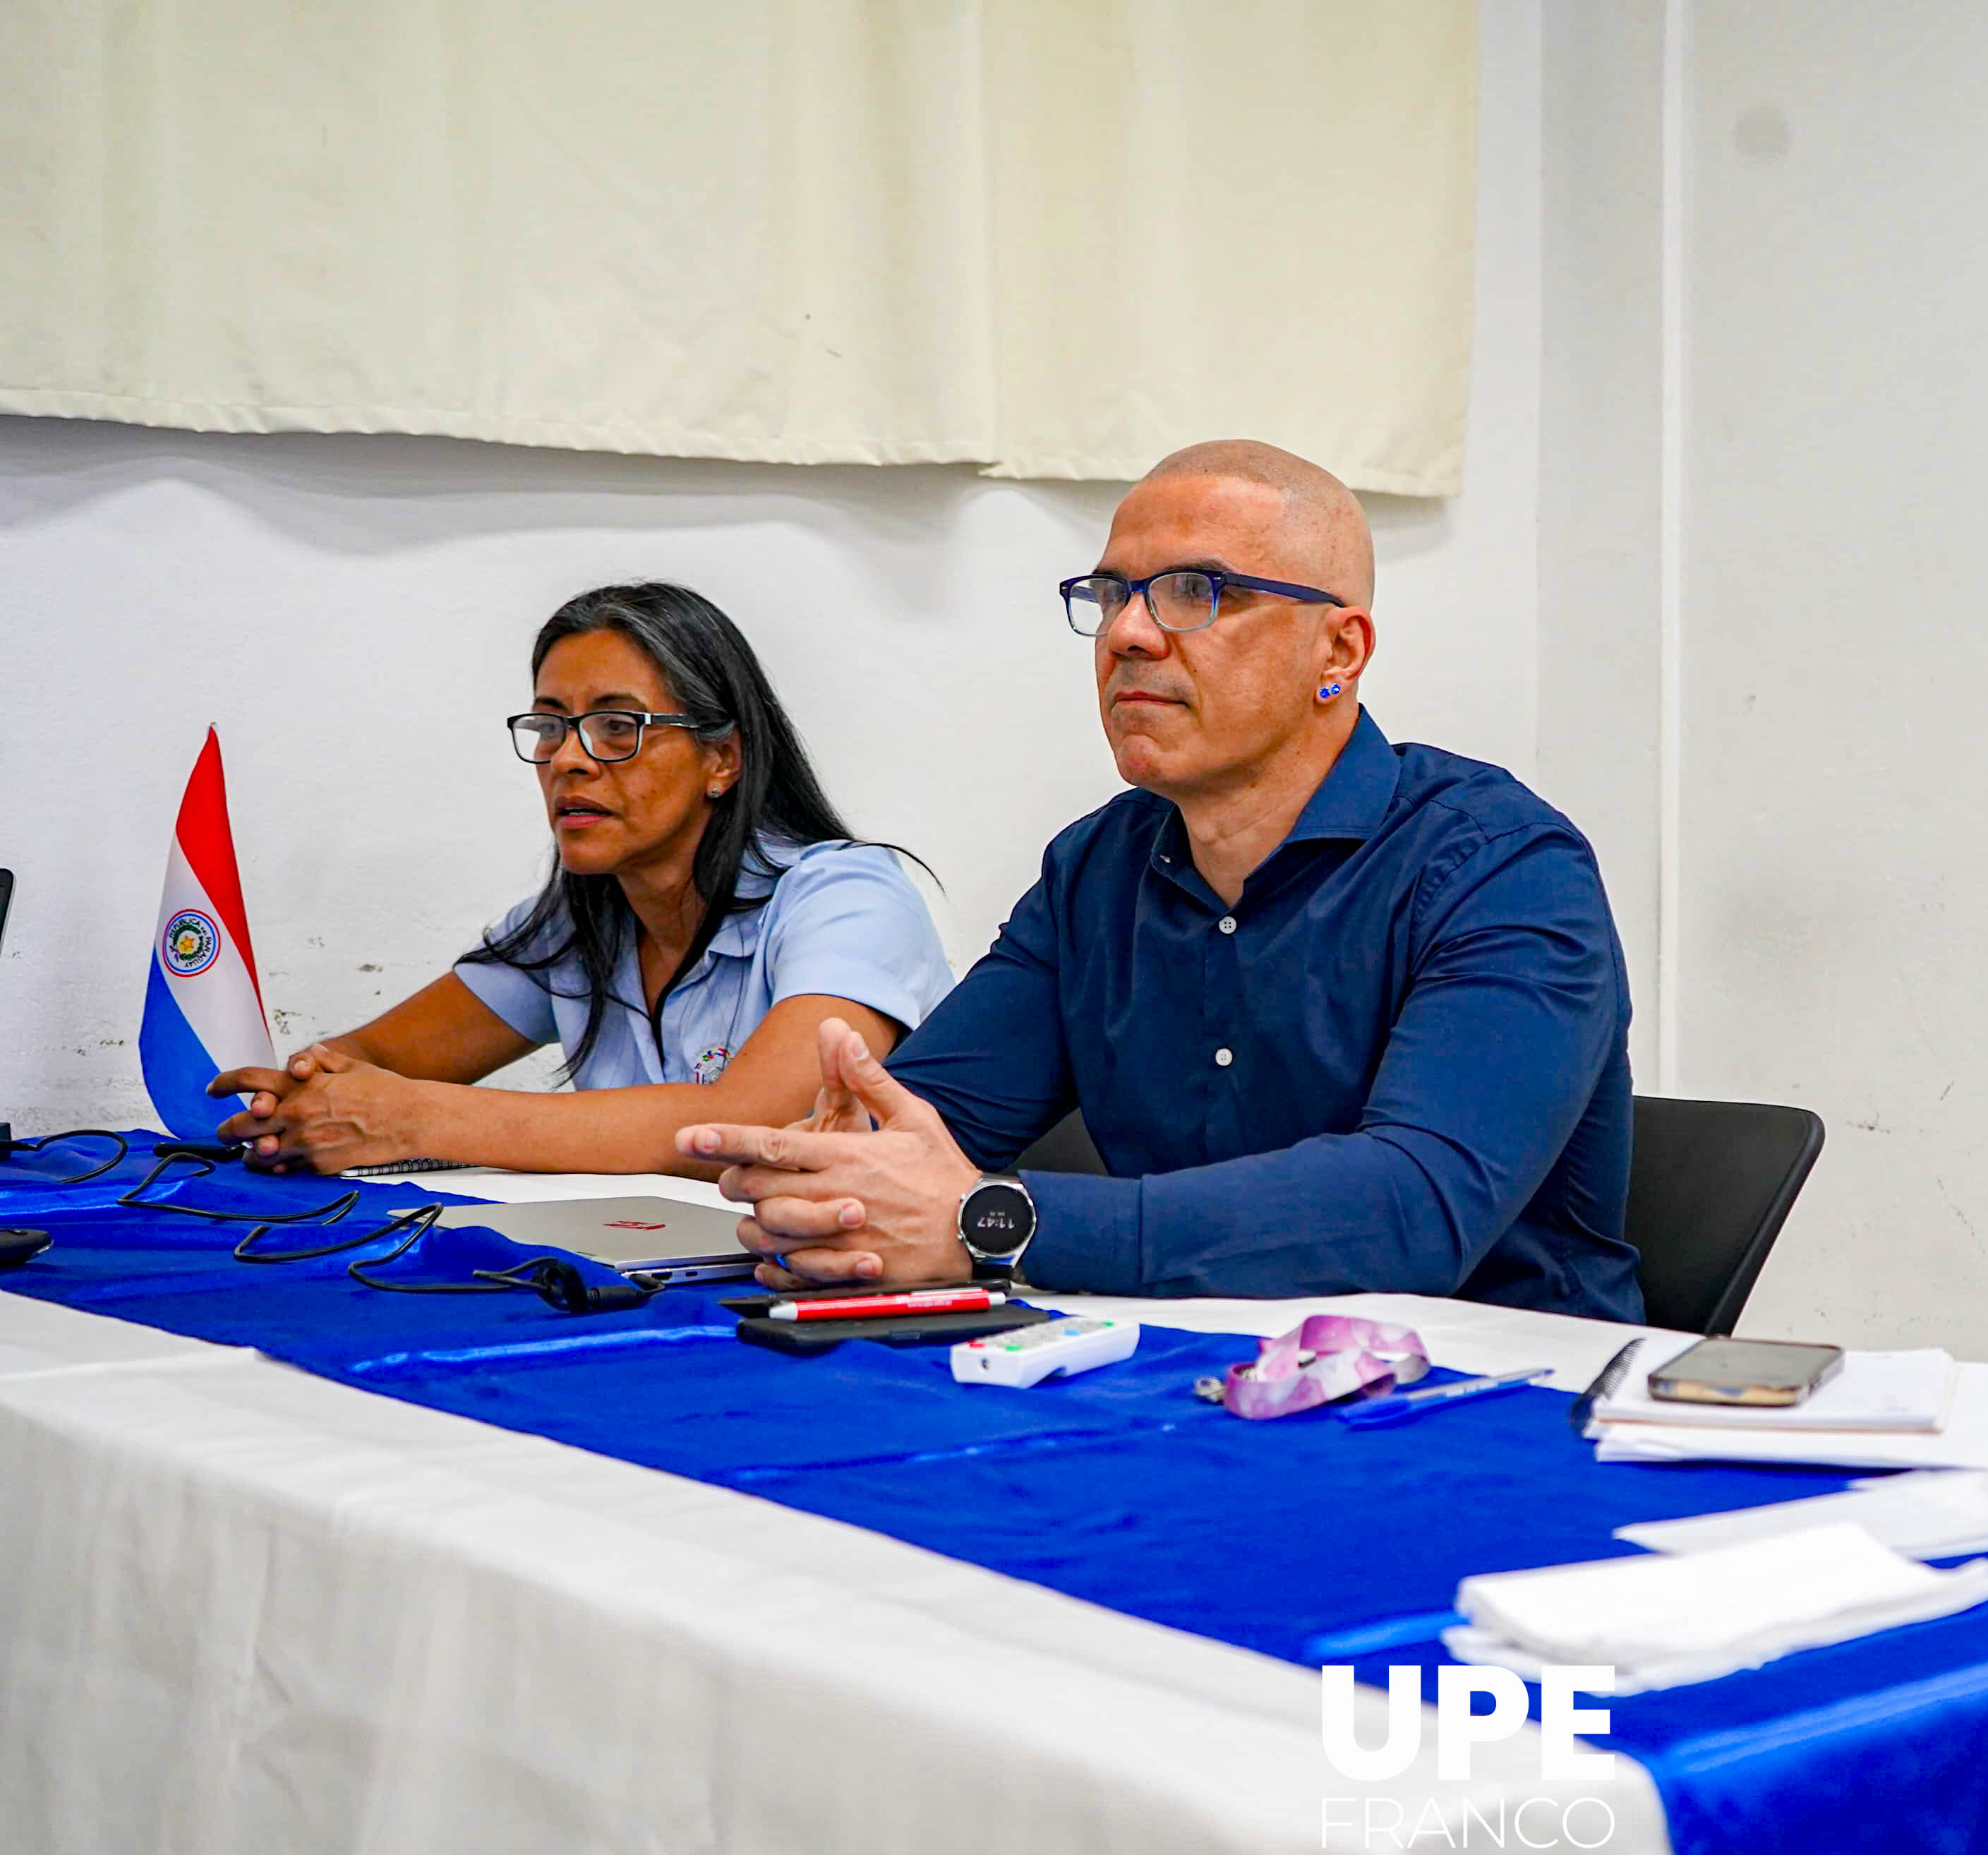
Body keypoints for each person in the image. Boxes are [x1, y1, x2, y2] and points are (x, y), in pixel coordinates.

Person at [682, 440, 1643, 1321]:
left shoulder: (1503, 867)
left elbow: (1413, 1209)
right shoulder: (1095, 869)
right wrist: (839, 1181)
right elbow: (925, 1134)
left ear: (1338, 652)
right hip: (1192, 1371)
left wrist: (996, 1221)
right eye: (1112, 593)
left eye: (1197, 591)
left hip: (1495, 1398)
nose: (1129, 634)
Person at [210, 583, 952, 1176]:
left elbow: (750, 1122)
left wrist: (414, 1118)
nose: (569, 759)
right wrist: (312, 1092)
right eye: (549, 727)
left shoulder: (847, 897)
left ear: (721, 758)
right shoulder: (577, 924)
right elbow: (374, 1057)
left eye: (616, 727)